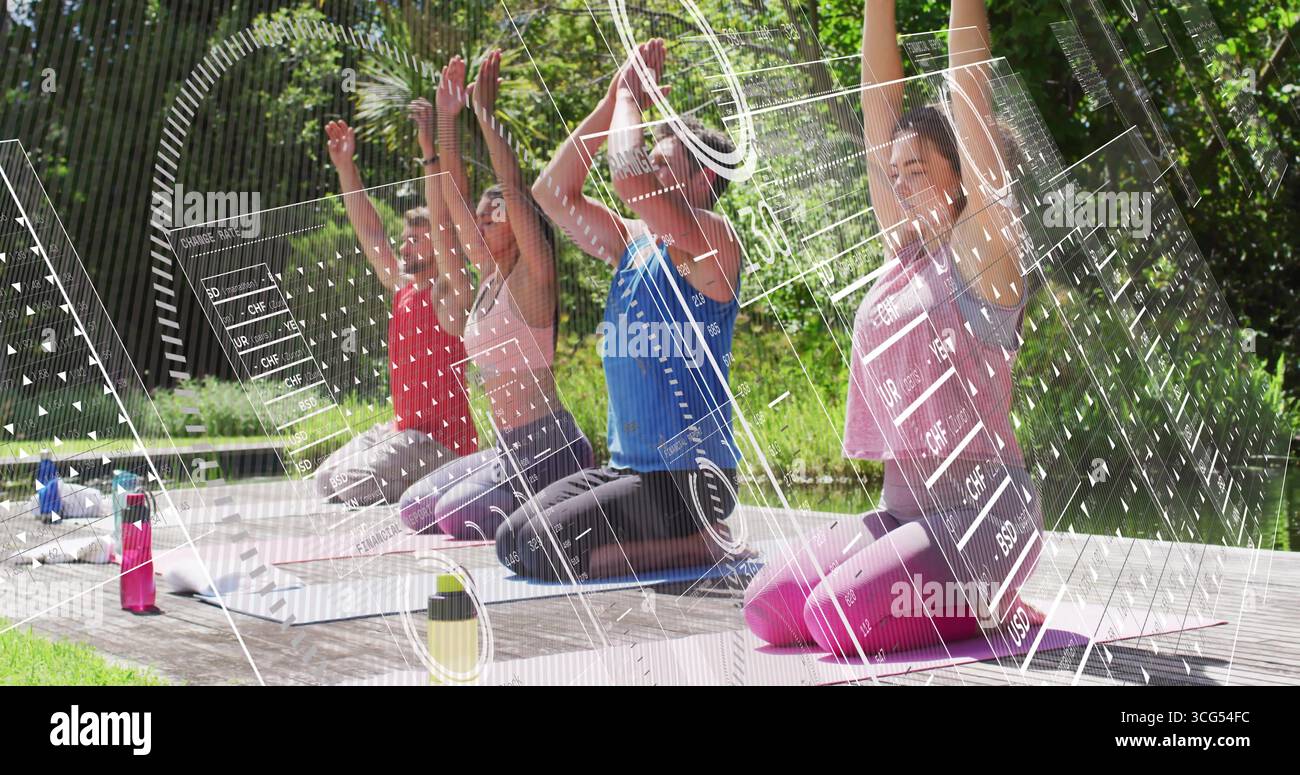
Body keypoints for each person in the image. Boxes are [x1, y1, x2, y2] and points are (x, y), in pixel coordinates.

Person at [744, 0, 1046, 658]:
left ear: (964, 172)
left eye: (921, 169)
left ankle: (996, 600)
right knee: (766, 608)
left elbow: (969, 90)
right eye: (896, 170)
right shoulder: (902, 249)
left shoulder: (986, 253)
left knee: (838, 617)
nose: (902, 182)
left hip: (983, 520)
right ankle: (972, 596)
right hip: (906, 513)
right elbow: (877, 95)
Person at [495, 39, 747, 582]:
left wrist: (635, 97)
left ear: (703, 179)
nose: (650, 176)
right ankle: (691, 543)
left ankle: (705, 547)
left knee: (546, 550)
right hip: (630, 469)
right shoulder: (632, 242)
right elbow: (552, 193)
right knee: (510, 539)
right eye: (653, 164)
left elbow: (628, 177)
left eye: (664, 166)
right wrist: (612, 101)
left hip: (691, 478)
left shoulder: (713, 241)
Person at [397, 51, 595, 540]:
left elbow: (512, 183)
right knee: (415, 508)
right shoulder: (487, 275)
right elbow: (451, 193)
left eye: (495, 217)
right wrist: (446, 120)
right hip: (508, 449)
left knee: (460, 515)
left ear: (522, 226)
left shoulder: (532, 278)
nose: (482, 222)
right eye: (482, 217)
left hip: (550, 446)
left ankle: (569, 498)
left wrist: (485, 112)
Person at [315, 111, 478, 507]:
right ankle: (418, 486)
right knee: (324, 480)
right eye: (405, 240)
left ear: (439, 248)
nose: (405, 247)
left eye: (416, 241)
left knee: (352, 484)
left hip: (442, 442)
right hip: (404, 431)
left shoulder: (448, 293)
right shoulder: (404, 287)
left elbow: (446, 225)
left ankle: (447, 483)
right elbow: (369, 230)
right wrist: (345, 166)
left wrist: (428, 151)